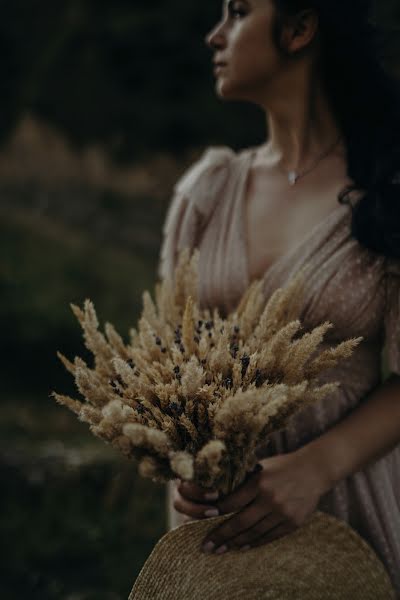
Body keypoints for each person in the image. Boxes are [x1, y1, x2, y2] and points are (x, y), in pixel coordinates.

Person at [157, 0, 400, 593]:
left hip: (350, 517)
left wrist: (317, 467)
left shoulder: (387, 186)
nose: (215, 36)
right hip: (217, 539)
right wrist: (180, 468)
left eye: (238, 13)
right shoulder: (206, 192)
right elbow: (164, 373)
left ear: (300, 28)